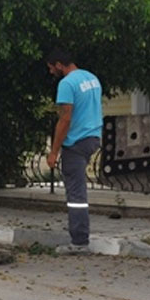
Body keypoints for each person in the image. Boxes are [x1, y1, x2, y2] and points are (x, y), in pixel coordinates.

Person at [45, 49, 102, 255]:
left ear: (59, 64)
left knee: (76, 194)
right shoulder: (91, 78)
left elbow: (65, 118)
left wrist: (54, 151)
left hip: (76, 142)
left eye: (52, 68)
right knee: (78, 189)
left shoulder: (67, 84)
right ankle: (79, 237)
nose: (51, 72)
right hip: (93, 137)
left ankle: (79, 241)